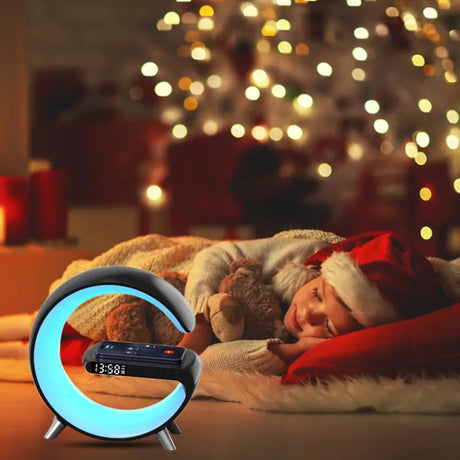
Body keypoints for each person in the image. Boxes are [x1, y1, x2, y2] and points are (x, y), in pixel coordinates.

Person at [178, 230, 459, 365]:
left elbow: (210, 362)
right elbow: (215, 254)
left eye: (327, 327)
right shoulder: (306, 256)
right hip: (193, 268)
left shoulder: (305, 343)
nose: (308, 314)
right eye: (316, 293)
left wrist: (288, 353)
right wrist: (199, 320)